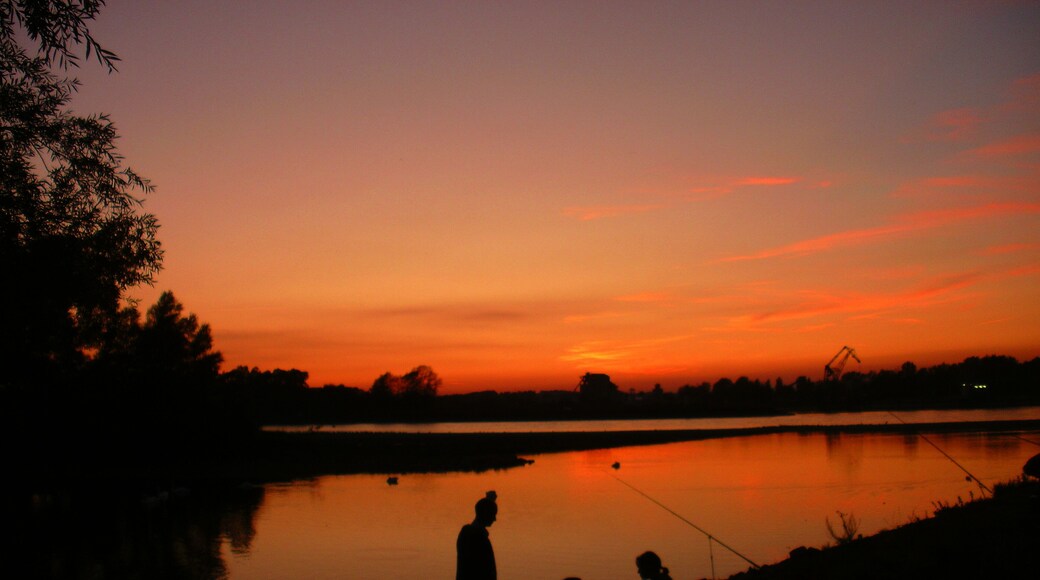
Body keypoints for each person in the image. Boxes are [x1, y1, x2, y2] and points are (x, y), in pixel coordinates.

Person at [456, 491, 498, 580]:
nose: (495, 519)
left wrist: (489, 501)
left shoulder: (466, 533)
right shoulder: (478, 538)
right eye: (493, 514)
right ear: (486, 514)